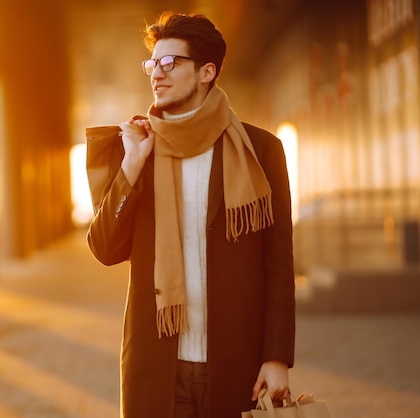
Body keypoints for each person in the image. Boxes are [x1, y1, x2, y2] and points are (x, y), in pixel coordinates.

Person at [86, 11, 295, 418]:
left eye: (171, 63)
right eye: (153, 64)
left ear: (206, 72)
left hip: (238, 364)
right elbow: (105, 248)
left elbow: (279, 264)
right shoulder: (139, 149)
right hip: (158, 366)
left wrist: (277, 357)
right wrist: (130, 166)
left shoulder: (260, 151)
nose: (157, 74)